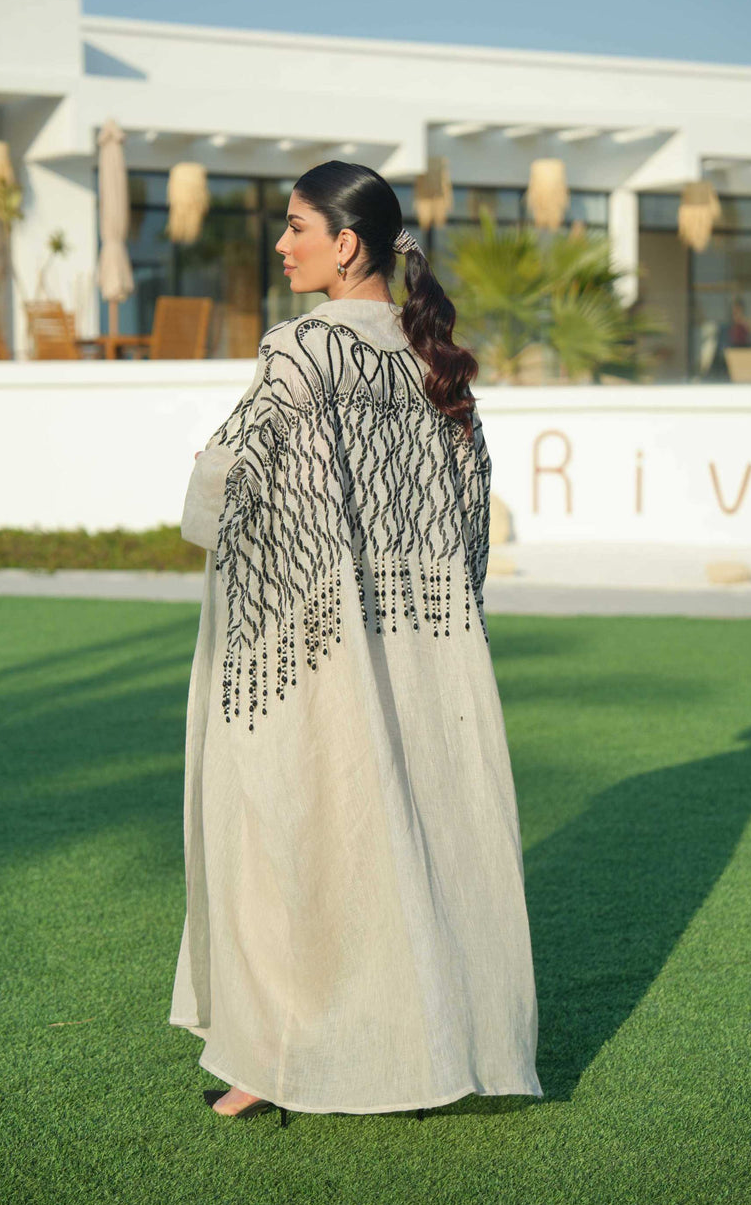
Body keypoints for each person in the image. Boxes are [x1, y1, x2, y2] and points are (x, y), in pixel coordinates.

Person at [169, 160, 543, 1121]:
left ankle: (275, 1058)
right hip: (425, 645)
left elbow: (221, 487)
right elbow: (469, 518)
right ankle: (422, 1049)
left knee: (292, 836)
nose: (282, 244)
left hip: (309, 645)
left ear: (346, 245)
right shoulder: (437, 363)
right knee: (414, 839)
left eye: (296, 227)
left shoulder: (301, 353)